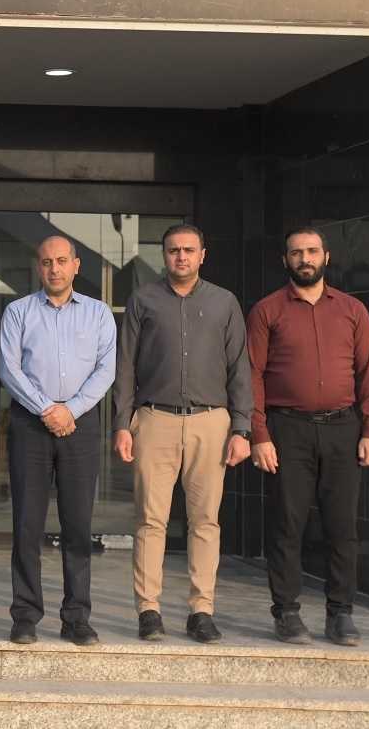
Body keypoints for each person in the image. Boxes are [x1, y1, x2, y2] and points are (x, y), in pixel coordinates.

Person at [112, 224, 252, 645]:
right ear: (164, 255)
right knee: (150, 520)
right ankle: (148, 610)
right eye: (174, 250)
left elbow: (239, 369)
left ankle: (201, 611)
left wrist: (242, 428)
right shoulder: (143, 300)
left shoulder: (224, 302)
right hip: (154, 420)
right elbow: (125, 367)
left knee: (205, 520)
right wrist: (122, 423)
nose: (182, 257)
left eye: (189, 250)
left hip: (212, 422)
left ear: (202, 255)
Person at [248, 226, 369, 647]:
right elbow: (252, 376)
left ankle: (340, 614)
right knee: (286, 525)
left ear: (326, 256)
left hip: (343, 429)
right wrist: (259, 433)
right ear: (285, 260)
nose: (304, 258)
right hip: (286, 429)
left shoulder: (352, 310)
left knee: (342, 527)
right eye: (296, 252)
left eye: (311, 251)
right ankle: (287, 613)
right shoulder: (267, 310)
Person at [0, 235, 116, 646]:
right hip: (31, 424)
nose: (54, 268)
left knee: (78, 526)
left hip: (79, 425)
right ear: (38, 266)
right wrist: (48, 409)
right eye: (47, 261)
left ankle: (76, 617)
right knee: (26, 525)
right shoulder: (18, 312)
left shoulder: (99, 314)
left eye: (62, 260)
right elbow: (9, 369)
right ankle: (25, 615)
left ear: (76, 265)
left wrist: (71, 410)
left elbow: (106, 369)